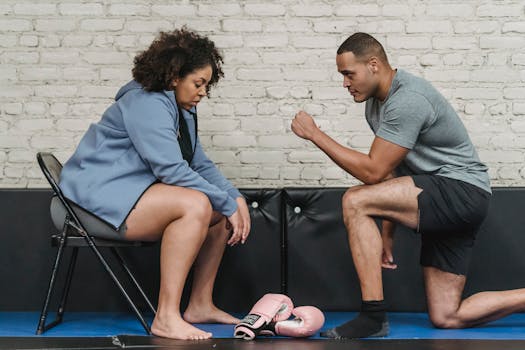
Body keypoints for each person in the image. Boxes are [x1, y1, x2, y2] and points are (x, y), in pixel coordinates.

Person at [291, 32, 525, 339]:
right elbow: (393, 174)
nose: (345, 84)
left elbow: (374, 172)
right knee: (447, 316)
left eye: (349, 74)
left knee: (355, 200)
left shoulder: (408, 99)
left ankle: (373, 317)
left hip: (459, 191)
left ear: (373, 64)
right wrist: (388, 234)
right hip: (448, 196)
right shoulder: (376, 106)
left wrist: (315, 134)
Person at [53, 28, 251, 340]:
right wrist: (223, 200)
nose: (203, 92)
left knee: (217, 210)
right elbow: (171, 169)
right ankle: (166, 317)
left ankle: (199, 304)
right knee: (198, 203)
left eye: (206, 86)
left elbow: (197, 162)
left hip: (123, 194)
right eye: (198, 83)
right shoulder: (147, 102)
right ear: (174, 77)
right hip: (87, 202)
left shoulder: (181, 109)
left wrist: (233, 197)